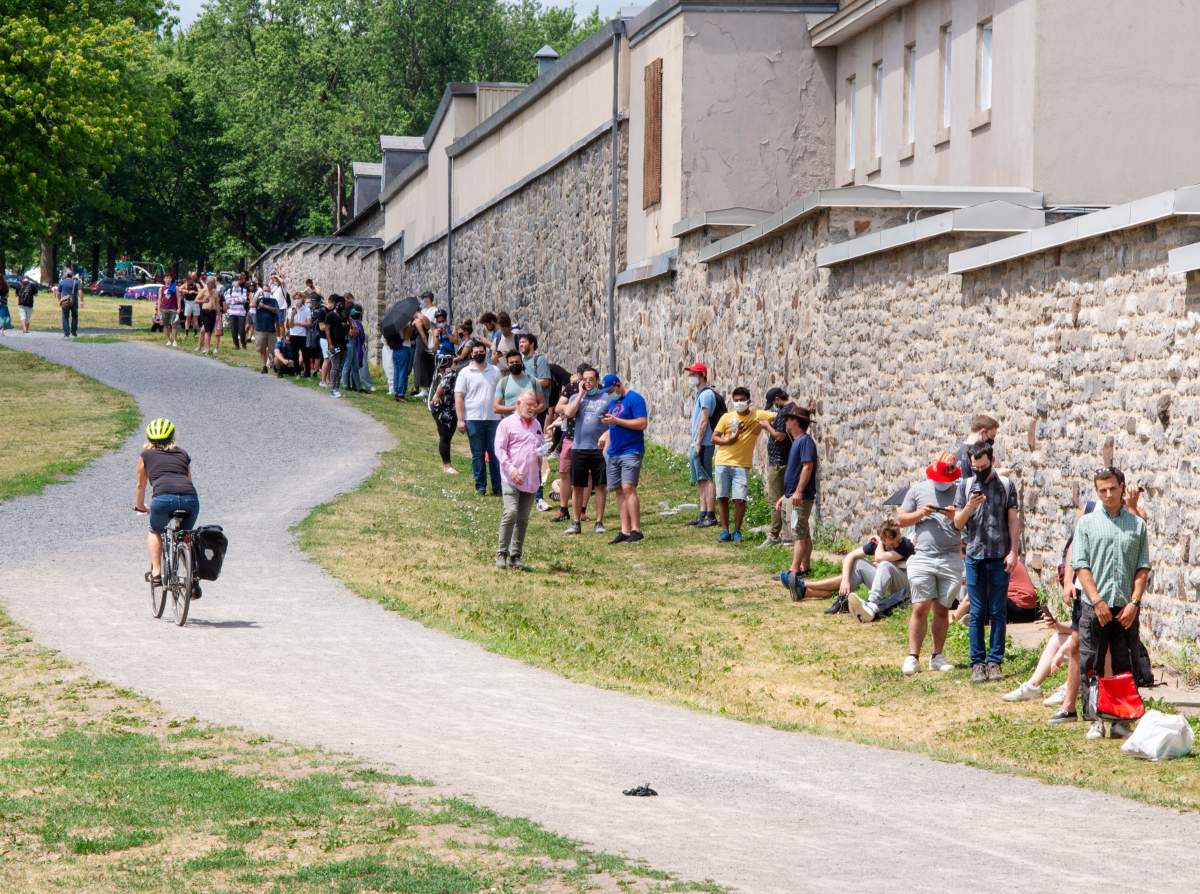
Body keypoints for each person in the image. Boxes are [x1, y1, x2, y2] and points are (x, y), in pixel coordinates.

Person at [1072, 466, 1151, 741]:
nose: (1107, 494)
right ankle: (1094, 719)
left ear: (1122, 487)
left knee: (1124, 664)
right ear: (1097, 491)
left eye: (1112, 489)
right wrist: (1096, 601)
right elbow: (1081, 566)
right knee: (1090, 663)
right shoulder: (1087, 524)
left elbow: (1142, 568)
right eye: (1102, 490)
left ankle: (1121, 719)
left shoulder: (1137, 525)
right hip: (1096, 606)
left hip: (1125, 607)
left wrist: (1134, 603)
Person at [953, 442, 1020, 683]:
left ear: (992, 460)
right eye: (974, 467)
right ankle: (977, 663)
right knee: (977, 611)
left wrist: (1014, 551)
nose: (978, 471)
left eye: (982, 466)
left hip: (1000, 555)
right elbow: (958, 523)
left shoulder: (1005, 485)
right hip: (974, 556)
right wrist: (970, 506)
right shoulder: (965, 485)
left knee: (998, 610)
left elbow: (1013, 521)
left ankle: (995, 662)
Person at [896, 451, 962, 675]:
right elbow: (900, 519)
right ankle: (913, 656)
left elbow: (967, 522)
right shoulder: (918, 490)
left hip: (951, 557)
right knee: (920, 606)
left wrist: (955, 515)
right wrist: (920, 514)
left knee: (942, 609)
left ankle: (937, 655)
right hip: (923, 556)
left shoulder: (960, 490)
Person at [133, 418, 200, 589]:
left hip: (163, 499)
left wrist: (140, 507)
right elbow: (189, 480)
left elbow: (140, 485)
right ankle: (192, 578)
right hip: (189, 498)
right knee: (185, 536)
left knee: (155, 531)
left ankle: (156, 573)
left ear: (149, 439)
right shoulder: (183, 454)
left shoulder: (145, 455)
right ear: (173, 437)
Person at [800, 520, 914, 618]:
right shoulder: (879, 544)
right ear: (884, 540)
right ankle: (842, 600)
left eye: (898, 540)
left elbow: (879, 557)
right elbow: (850, 556)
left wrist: (880, 543)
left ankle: (871, 603)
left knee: (884, 565)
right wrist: (845, 580)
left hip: (903, 587)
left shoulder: (906, 545)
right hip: (886, 584)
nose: (896, 544)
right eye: (892, 543)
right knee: (858, 564)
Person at [711, 387, 775, 542]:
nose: (739, 403)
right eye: (736, 400)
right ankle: (725, 531)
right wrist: (728, 440)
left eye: (742, 400)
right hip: (722, 462)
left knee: (740, 499)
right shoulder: (727, 418)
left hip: (741, 464)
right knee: (723, 497)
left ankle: (737, 530)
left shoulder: (757, 415)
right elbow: (714, 437)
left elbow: (780, 414)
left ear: (748, 401)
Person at [494, 391, 544, 571]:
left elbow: (539, 446)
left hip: (530, 478)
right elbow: (500, 450)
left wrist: (542, 453)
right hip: (511, 477)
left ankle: (515, 556)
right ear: (518, 403)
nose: (532, 408)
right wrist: (511, 469)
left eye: (534, 405)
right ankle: (501, 553)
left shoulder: (537, 424)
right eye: (529, 404)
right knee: (511, 512)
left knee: (522, 518)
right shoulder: (506, 424)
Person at [560, 367, 609, 535]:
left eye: (591, 380)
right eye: (585, 380)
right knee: (578, 486)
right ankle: (576, 522)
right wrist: (581, 394)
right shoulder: (576, 397)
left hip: (598, 449)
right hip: (579, 447)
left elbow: (612, 422)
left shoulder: (606, 398)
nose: (588, 382)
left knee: (600, 485)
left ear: (597, 382)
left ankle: (599, 521)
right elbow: (568, 413)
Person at [599, 374, 647, 544]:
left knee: (628, 487)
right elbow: (613, 427)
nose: (609, 393)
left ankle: (636, 529)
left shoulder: (635, 399)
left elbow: (642, 423)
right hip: (614, 452)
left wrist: (617, 421)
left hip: (631, 450)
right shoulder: (613, 403)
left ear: (618, 385)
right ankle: (625, 530)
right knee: (618, 490)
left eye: (611, 390)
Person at [774, 405, 818, 580]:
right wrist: (785, 496)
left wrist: (798, 492)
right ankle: (804, 567)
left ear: (795, 422)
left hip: (801, 497)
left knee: (798, 534)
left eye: (788, 419)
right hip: (793, 495)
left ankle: (794, 571)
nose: (785, 422)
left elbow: (807, 466)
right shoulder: (798, 441)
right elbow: (796, 471)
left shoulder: (805, 441)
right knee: (803, 533)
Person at [454, 344, 502, 495]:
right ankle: (480, 486)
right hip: (473, 419)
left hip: (494, 419)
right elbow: (459, 396)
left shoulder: (495, 371)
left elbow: (501, 393)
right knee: (477, 454)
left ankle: (498, 486)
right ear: (471, 354)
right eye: (476, 352)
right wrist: (460, 420)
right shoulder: (465, 373)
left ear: (485, 353)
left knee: (495, 454)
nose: (479, 353)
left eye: (482, 351)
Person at [686, 362, 718, 528]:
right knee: (700, 478)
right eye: (690, 374)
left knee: (706, 477)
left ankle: (711, 514)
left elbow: (704, 420)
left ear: (702, 375)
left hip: (704, 443)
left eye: (694, 374)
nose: (691, 377)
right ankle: (703, 512)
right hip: (697, 443)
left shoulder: (706, 395)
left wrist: (698, 442)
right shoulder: (699, 394)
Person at [762, 387, 793, 546]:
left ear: (776, 400)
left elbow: (779, 436)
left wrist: (767, 426)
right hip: (785, 460)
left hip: (779, 462)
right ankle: (787, 535)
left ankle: (774, 535)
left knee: (775, 499)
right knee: (786, 499)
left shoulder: (783, 412)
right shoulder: (793, 408)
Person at [492, 349, 546, 417]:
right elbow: (496, 408)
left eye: (517, 362)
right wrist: (515, 408)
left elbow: (543, 404)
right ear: (508, 365)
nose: (515, 364)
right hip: (511, 425)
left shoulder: (533, 381)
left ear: (522, 363)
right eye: (511, 362)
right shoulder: (503, 383)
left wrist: (534, 410)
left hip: (530, 423)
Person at [430, 354, 460, 474]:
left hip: (451, 408)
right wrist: (437, 395)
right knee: (445, 436)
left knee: (447, 436)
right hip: (444, 408)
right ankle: (447, 465)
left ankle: (447, 464)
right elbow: (441, 388)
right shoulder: (453, 374)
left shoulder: (458, 373)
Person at [411, 290, 438, 398]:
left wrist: (420, 316)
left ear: (428, 298)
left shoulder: (434, 310)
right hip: (420, 337)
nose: (422, 300)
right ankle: (421, 387)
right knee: (418, 362)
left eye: (424, 298)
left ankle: (425, 388)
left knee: (424, 362)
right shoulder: (423, 309)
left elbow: (428, 324)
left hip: (428, 336)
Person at [956, 414, 999, 480]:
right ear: (982, 432)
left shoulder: (961, 449)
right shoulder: (973, 454)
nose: (992, 441)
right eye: (991, 436)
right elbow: (979, 484)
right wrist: (999, 475)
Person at [252, 279, 280, 374]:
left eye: (267, 290)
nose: (266, 292)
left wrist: (264, 306)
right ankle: (264, 366)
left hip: (271, 329)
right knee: (262, 349)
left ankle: (273, 364)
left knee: (272, 349)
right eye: (264, 290)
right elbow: (252, 304)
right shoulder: (259, 300)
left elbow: (276, 310)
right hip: (260, 329)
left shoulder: (273, 300)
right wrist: (257, 294)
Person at [323, 295, 347, 398]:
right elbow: (327, 330)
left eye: (343, 303)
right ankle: (333, 389)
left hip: (343, 345)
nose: (342, 305)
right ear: (336, 304)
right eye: (340, 303)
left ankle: (337, 388)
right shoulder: (330, 315)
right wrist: (330, 343)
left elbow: (345, 330)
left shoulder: (343, 316)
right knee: (335, 367)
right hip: (334, 345)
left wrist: (347, 326)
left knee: (340, 368)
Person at [286, 291, 311, 376]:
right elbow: (290, 325)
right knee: (294, 354)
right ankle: (297, 372)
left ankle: (307, 372)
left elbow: (309, 324)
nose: (297, 300)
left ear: (302, 299)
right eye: (296, 299)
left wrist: (299, 323)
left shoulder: (307, 309)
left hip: (303, 335)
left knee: (305, 355)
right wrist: (293, 315)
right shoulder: (291, 310)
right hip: (293, 335)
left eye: (299, 298)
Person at [196, 276, 221, 355]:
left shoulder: (215, 292)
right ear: (207, 283)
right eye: (209, 284)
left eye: (212, 284)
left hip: (213, 312)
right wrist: (203, 300)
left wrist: (218, 313)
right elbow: (196, 300)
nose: (210, 285)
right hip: (205, 311)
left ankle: (206, 347)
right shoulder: (203, 291)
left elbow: (217, 304)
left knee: (209, 331)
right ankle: (206, 349)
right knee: (207, 331)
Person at [225, 273, 249, 350]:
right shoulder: (229, 290)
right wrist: (237, 300)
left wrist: (233, 300)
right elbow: (227, 300)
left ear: (239, 281)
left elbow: (244, 299)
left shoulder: (243, 290)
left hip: (241, 313)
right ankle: (236, 346)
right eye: (234, 280)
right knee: (233, 330)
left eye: (236, 280)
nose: (235, 282)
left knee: (241, 330)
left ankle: (243, 344)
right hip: (232, 313)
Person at [59, 265, 81, 338]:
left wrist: (60, 300)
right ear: (72, 275)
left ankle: (66, 334)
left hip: (65, 301)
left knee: (65, 317)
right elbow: (80, 291)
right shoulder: (76, 282)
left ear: (66, 275)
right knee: (74, 316)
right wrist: (82, 300)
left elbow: (59, 293)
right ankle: (74, 332)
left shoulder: (62, 282)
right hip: (74, 302)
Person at [156, 275, 179, 346]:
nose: (168, 279)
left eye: (169, 278)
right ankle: (168, 340)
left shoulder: (175, 287)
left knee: (174, 325)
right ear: (164, 279)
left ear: (171, 279)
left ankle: (174, 341)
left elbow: (178, 298)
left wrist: (179, 308)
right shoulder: (161, 288)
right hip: (164, 309)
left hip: (173, 308)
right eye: (166, 278)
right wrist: (158, 310)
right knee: (166, 326)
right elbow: (159, 299)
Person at [180, 273, 201, 341]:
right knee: (188, 318)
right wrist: (184, 291)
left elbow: (200, 292)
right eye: (188, 280)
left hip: (195, 302)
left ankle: (195, 333)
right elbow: (179, 289)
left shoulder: (196, 285)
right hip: (188, 302)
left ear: (192, 279)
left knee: (195, 319)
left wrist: (194, 292)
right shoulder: (185, 285)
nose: (189, 281)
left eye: (190, 280)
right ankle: (186, 333)